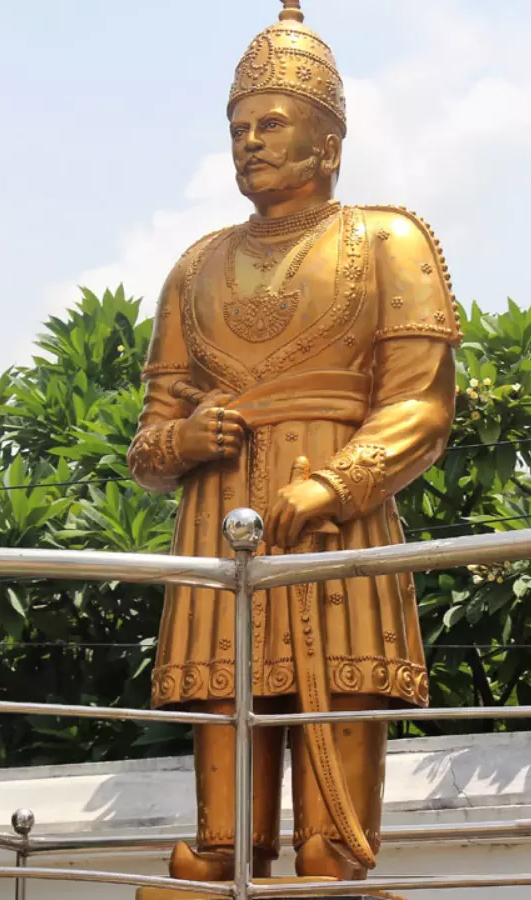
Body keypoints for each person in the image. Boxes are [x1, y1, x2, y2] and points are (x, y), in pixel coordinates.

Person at [127, 0, 458, 883]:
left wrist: (338, 484)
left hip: (335, 519)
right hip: (217, 516)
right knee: (222, 697)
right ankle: (223, 843)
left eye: (271, 123)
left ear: (329, 140)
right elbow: (148, 441)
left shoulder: (388, 240)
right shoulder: (194, 266)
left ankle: (333, 847)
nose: (250, 142)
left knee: (338, 710)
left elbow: (421, 406)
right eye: (238, 128)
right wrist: (185, 437)